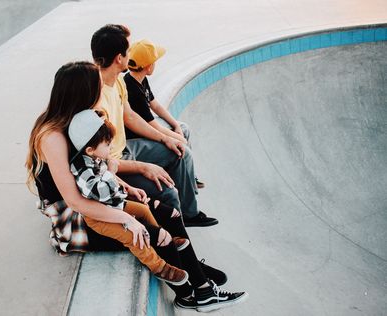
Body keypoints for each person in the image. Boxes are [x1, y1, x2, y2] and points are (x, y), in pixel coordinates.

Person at [25, 61, 247, 312]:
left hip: (95, 202)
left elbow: (94, 167)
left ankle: (201, 288)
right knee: (153, 233)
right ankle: (189, 290)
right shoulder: (52, 136)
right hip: (73, 218)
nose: (100, 93)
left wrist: (125, 187)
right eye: (96, 88)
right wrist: (125, 217)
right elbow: (75, 201)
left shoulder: (78, 121)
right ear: (83, 93)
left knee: (168, 214)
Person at [91, 24, 217, 227]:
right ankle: (176, 247)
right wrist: (143, 167)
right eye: (127, 52)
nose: (129, 56)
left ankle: (190, 214)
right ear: (119, 59)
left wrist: (165, 138)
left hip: (127, 149)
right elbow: (100, 162)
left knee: (180, 151)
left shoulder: (118, 82)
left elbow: (130, 117)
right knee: (168, 192)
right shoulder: (95, 98)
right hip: (114, 165)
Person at [68, 108, 190, 285]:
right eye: (107, 144)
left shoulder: (94, 158)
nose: (111, 147)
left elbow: (112, 185)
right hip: (99, 217)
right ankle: (159, 267)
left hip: (115, 205)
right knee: (131, 235)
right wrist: (111, 170)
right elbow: (100, 193)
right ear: (90, 149)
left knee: (143, 209)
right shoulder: (82, 169)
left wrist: (128, 188)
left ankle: (161, 240)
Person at [124, 39, 205, 192]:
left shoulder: (141, 79)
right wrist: (176, 138)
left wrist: (175, 125)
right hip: (140, 134)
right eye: (154, 62)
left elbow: (155, 105)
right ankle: (185, 183)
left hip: (149, 125)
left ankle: (189, 175)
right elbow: (151, 125)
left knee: (183, 128)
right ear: (148, 67)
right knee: (181, 143)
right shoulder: (132, 88)